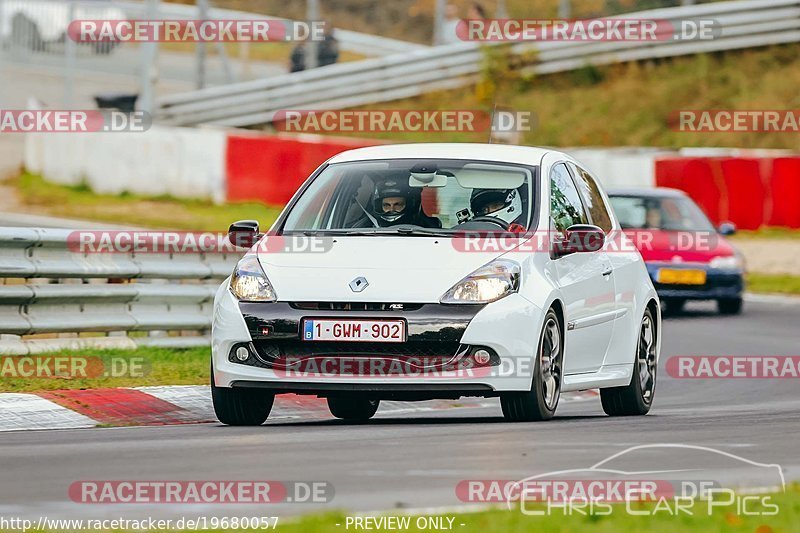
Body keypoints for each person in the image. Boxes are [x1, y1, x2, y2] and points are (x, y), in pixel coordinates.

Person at [351, 178, 441, 228]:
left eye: (397, 204)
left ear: (409, 205)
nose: (391, 209)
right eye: (386, 205)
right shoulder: (363, 228)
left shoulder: (430, 227)